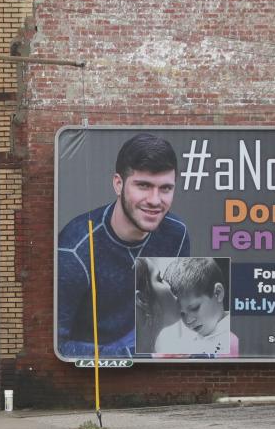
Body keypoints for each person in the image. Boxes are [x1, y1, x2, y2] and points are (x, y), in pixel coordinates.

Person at [58, 133, 190, 357]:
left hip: (152, 369)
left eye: (165, 188)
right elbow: (57, 347)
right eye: (143, 186)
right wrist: (131, 354)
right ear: (118, 184)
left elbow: (175, 316)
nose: (155, 200)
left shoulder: (176, 234)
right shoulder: (75, 249)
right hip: (92, 379)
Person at [154, 258, 238, 357]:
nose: (188, 321)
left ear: (217, 293)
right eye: (182, 314)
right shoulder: (186, 340)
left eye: (194, 308)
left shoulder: (238, 339)